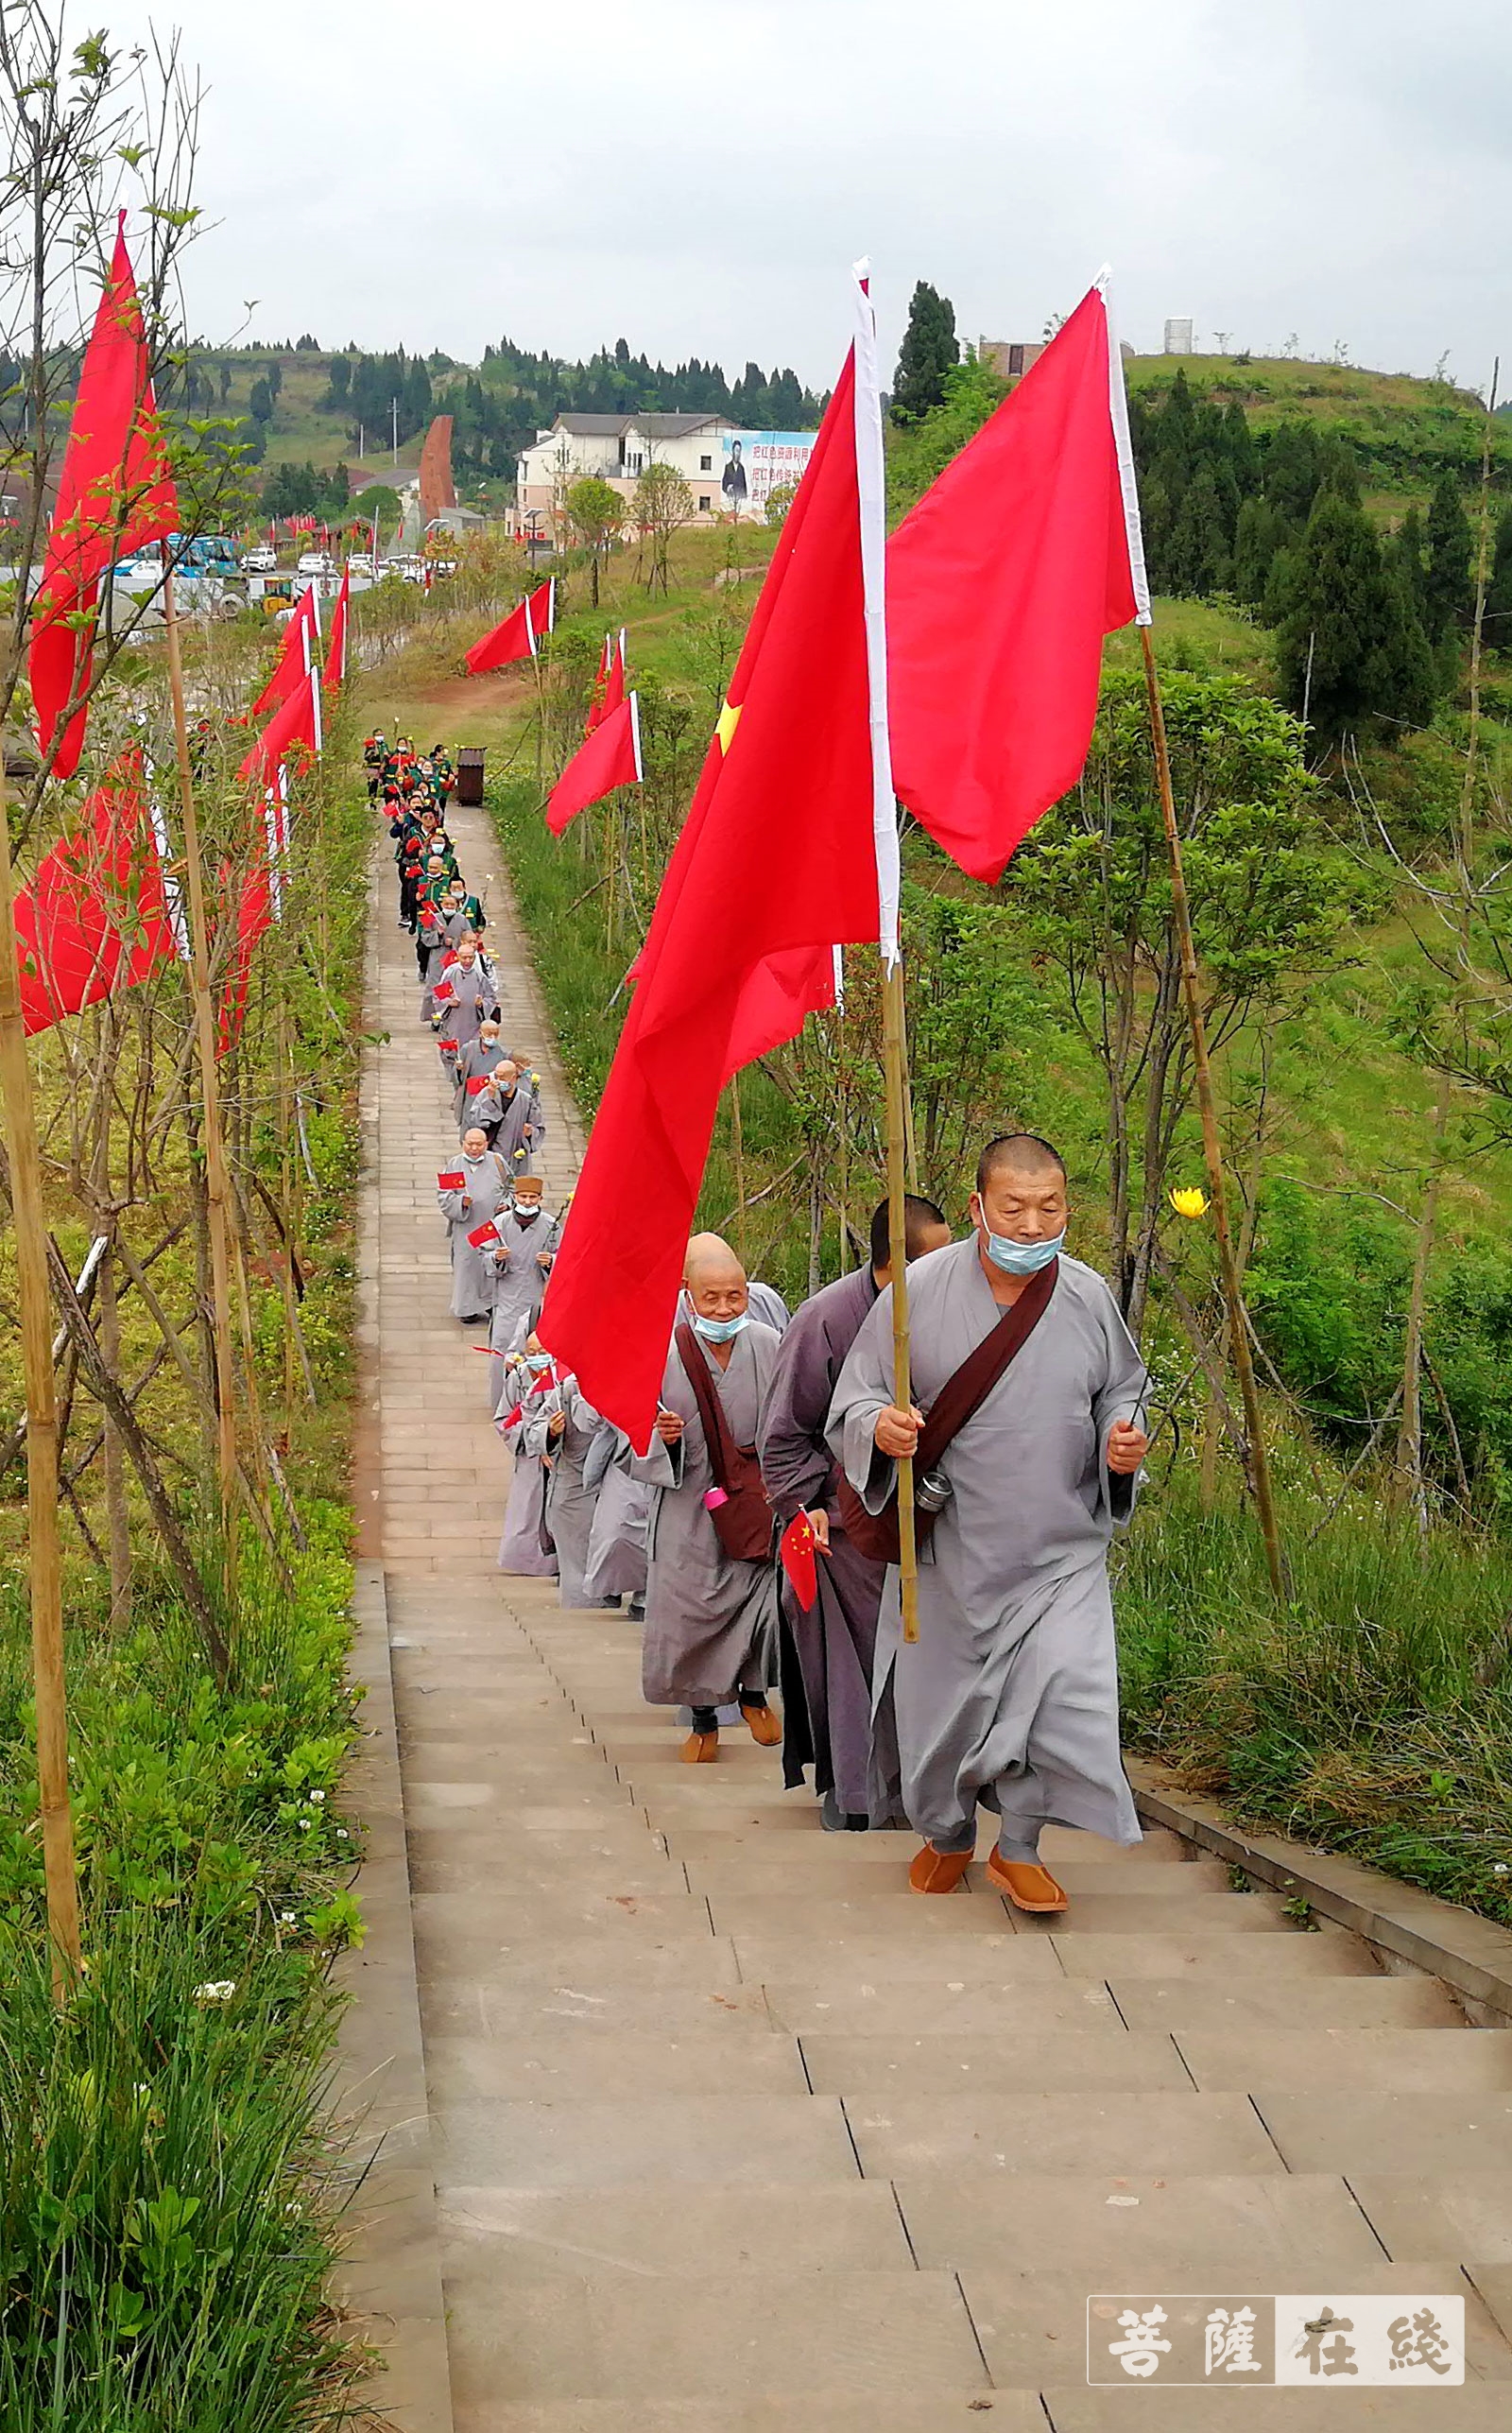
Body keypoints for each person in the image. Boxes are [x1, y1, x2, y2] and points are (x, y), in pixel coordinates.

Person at [827, 1134, 1150, 1914]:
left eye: (1051, 1208)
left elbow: (1123, 1387)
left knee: (1064, 1699)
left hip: (1059, 1550)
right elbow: (856, 1397)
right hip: (953, 1552)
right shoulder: (916, 1290)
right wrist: (882, 1429)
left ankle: (1021, 1849)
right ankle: (946, 1835)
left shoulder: (1086, 1295)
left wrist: (1124, 1440)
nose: (1034, 1225)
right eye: (1014, 1208)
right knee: (945, 1710)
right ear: (977, 1208)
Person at [758, 1193, 952, 1831]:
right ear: (894, 1265)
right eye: (936, 1262)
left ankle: (927, 1794)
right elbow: (783, 1434)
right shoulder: (826, 1320)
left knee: (929, 1664)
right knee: (854, 1668)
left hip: (932, 1519)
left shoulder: (945, 1313)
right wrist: (810, 1503)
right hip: (843, 1526)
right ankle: (857, 1793)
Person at [633, 1233, 782, 1762]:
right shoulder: (660, 1351)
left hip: (753, 1503)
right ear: (687, 1293)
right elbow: (627, 1433)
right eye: (712, 1297)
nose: (724, 1308)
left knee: (760, 1604)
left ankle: (756, 1695)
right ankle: (702, 1721)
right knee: (688, 1613)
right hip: (686, 1506)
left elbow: (792, 1422)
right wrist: (660, 1439)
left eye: (735, 1296)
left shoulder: (769, 1343)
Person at [521, 1364, 608, 1607]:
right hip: (573, 1486)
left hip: (615, 1481)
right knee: (577, 1563)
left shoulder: (622, 1384)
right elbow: (535, 1428)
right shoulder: (567, 1388)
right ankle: (583, 1608)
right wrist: (550, 1431)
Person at [483, 1175, 559, 1409]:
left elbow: (565, 1258)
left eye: (532, 1197)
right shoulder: (499, 1223)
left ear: (540, 1198)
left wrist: (550, 1262)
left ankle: (532, 1402)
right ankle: (500, 1402)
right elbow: (483, 1255)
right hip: (507, 1298)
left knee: (534, 1351)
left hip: (534, 1297)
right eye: (523, 1196)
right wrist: (495, 1258)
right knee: (503, 1348)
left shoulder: (551, 1225)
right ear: (515, 1197)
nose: (527, 1201)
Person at [495, 1334, 560, 1578]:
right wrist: (533, 1438)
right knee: (528, 1512)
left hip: (559, 1456)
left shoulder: (563, 1378)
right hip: (529, 1458)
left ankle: (560, 1561)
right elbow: (503, 1419)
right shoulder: (518, 1378)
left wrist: (552, 1438)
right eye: (530, 1353)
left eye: (541, 1352)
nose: (536, 1358)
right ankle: (528, 1560)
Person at [438, 1129, 512, 1323]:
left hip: (491, 1225)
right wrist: (461, 1202)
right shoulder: (454, 1165)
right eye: (470, 1144)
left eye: (479, 1144)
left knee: (491, 1264)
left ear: (486, 1144)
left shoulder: (497, 1162)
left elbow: (512, 1187)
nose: (474, 1148)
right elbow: (444, 1196)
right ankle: (467, 1308)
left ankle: (490, 1304)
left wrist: (508, 1203)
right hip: (467, 1225)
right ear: (463, 1143)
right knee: (467, 1266)